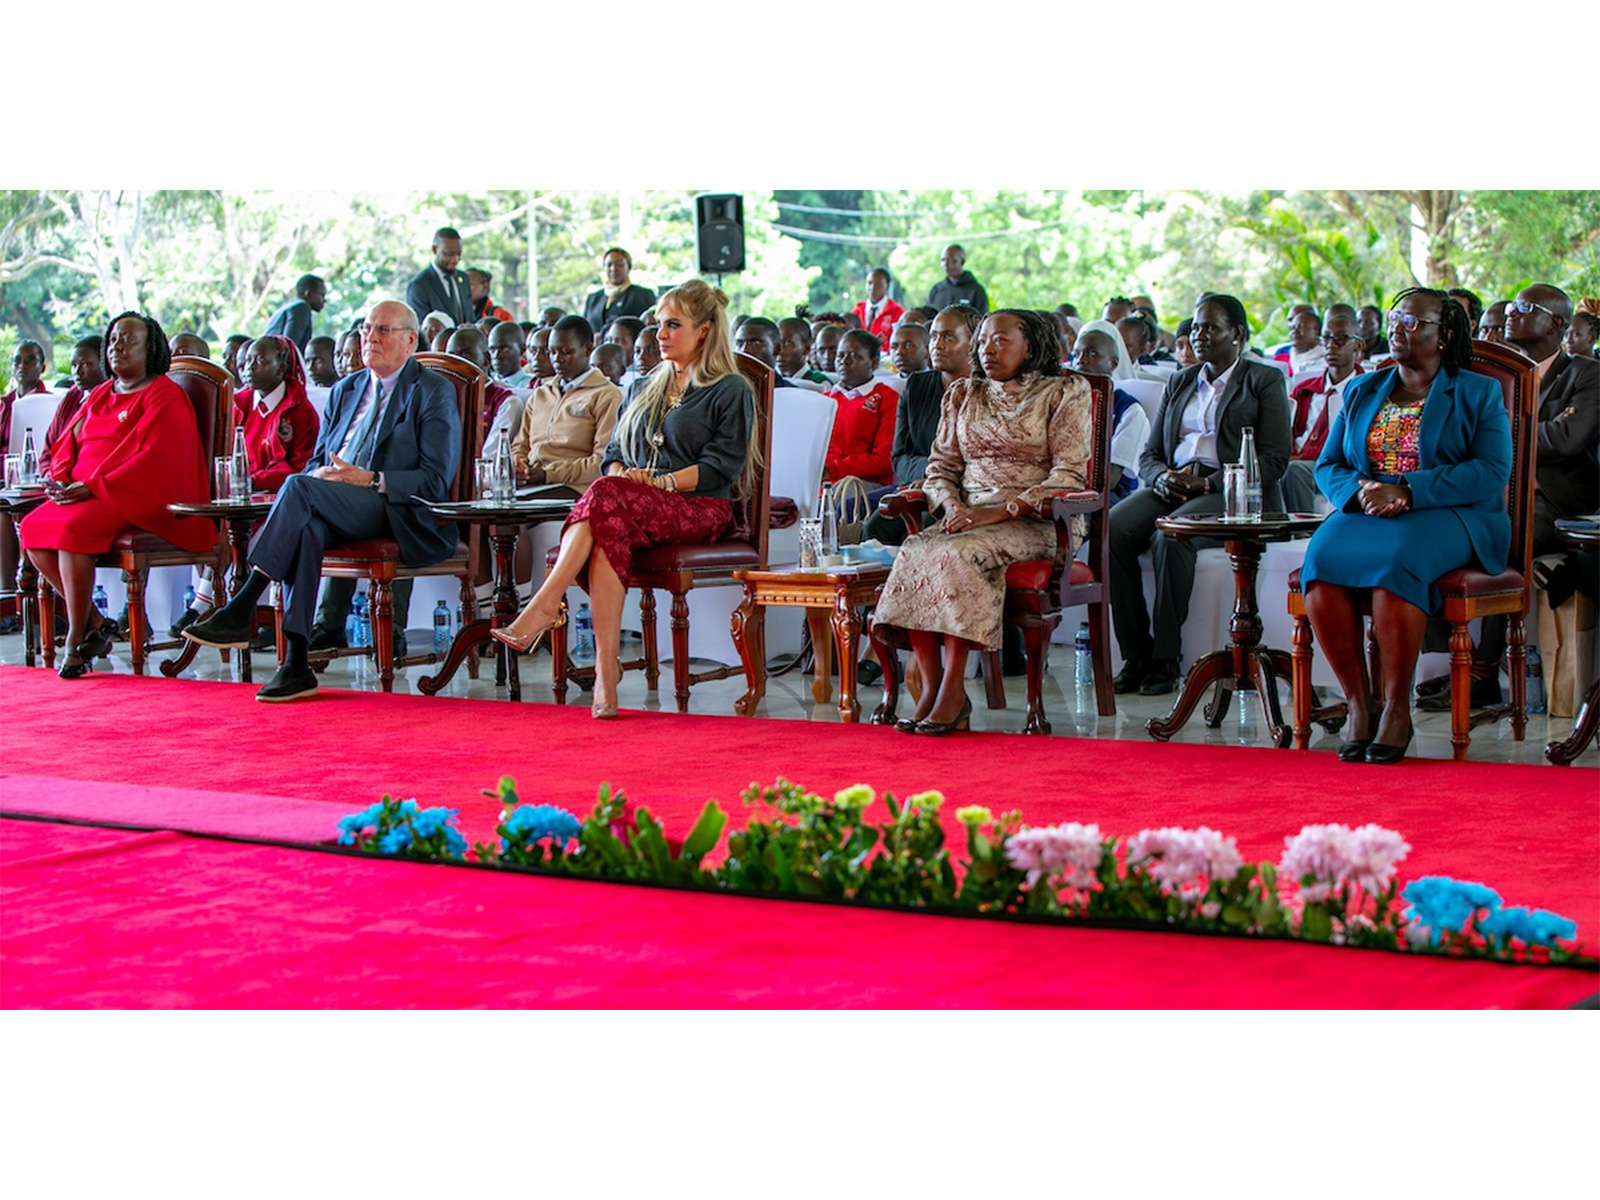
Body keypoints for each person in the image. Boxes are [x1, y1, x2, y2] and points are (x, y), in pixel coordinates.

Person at [492, 279, 757, 720]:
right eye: (658, 325)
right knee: (607, 523)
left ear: (705, 330)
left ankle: (544, 604)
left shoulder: (731, 388)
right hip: (632, 503)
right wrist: (627, 479)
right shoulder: (642, 387)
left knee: (606, 504)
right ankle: (604, 673)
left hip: (699, 507)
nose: (660, 335)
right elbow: (611, 458)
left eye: (673, 325)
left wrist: (660, 484)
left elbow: (721, 467)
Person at [184, 300, 462, 703]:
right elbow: (317, 459)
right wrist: (324, 477)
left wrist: (366, 479)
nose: (371, 338)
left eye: (383, 331)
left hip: (394, 509)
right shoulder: (346, 389)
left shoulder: (431, 391)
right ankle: (296, 662)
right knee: (308, 525)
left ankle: (243, 603)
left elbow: (435, 479)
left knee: (297, 488)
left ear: (410, 340)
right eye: (367, 329)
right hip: (332, 499)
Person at [1300, 288, 1510, 763]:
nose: (1398, 328)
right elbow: (1328, 464)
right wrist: (1360, 492)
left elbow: (1491, 471)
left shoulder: (1478, 391)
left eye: (1413, 323)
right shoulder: (1361, 388)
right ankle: (1360, 704)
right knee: (1321, 561)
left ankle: (1397, 708)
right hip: (1367, 508)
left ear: (1445, 335)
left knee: (1397, 563)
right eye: (1395, 318)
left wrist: (1408, 489)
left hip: (1451, 513)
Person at [872, 310, 1091, 734]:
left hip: (1038, 521)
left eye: (1001, 341)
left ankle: (954, 691)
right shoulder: (963, 394)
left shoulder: (1064, 391)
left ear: (1032, 346)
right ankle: (932, 690)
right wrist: (951, 506)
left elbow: (1069, 476)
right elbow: (940, 468)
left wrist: (1002, 510)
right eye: (984, 342)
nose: (987, 350)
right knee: (917, 548)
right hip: (967, 517)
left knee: (956, 553)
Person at [1108, 294, 1291, 695]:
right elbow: (1151, 454)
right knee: (1112, 531)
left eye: (1211, 328)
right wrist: (1160, 479)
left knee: (1171, 535)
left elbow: (1276, 461)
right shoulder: (1181, 380)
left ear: (1238, 335)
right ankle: (1136, 655)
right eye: (1195, 327)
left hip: (1235, 491)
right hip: (1174, 483)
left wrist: (1208, 483)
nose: (1198, 335)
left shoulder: (1264, 380)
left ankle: (1165, 659)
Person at [20, 312, 213, 679]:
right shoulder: (100, 394)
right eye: (112, 341)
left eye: (128, 340)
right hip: (84, 493)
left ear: (151, 348)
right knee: (32, 527)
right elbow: (67, 445)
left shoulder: (164, 395)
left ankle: (77, 636)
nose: (117, 347)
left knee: (72, 529)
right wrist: (60, 479)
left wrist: (92, 486)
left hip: (134, 495)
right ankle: (95, 621)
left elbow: (156, 459)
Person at [173, 335, 322, 635]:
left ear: (282, 366)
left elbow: (301, 467)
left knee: (235, 530)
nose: (248, 369)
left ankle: (203, 608)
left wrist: (255, 480)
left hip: (277, 499)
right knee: (209, 523)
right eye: (244, 363)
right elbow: (221, 452)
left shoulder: (300, 411)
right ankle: (220, 607)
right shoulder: (236, 405)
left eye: (259, 360)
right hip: (236, 494)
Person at [863, 305, 983, 547]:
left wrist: (942, 479)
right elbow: (899, 455)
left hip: (970, 493)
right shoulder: (917, 386)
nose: (937, 345)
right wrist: (930, 474)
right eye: (934, 337)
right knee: (877, 525)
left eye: (949, 337)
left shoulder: (989, 389)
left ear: (974, 343)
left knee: (927, 527)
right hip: (920, 484)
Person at [510, 315, 622, 487]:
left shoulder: (607, 395)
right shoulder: (540, 394)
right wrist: (520, 466)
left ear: (588, 349)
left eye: (566, 352)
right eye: (552, 352)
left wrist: (548, 474)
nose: (557, 359)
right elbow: (519, 446)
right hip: (533, 483)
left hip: (575, 488)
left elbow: (602, 462)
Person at [1280, 310, 1367, 512]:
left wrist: (1299, 458)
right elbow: (1289, 431)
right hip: (1298, 458)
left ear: (1358, 345)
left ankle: (1302, 534)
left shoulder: (1367, 390)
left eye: (1341, 339)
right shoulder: (1306, 389)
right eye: (1327, 338)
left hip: (1336, 465)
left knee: (1295, 471)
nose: (1331, 345)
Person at [1068, 322, 1151, 501]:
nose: (1081, 360)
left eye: (1092, 354)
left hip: (1107, 496)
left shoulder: (1129, 410)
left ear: (1113, 363)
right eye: (1076, 354)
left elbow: (1110, 479)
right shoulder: (1065, 400)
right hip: (1064, 487)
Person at [824, 330, 900, 485]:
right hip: (820, 479)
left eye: (854, 356)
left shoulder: (887, 399)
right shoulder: (824, 398)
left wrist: (831, 470)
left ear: (873, 363)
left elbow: (884, 460)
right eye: (840, 355)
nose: (844, 361)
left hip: (862, 483)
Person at [406, 227, 473, 327]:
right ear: (434, 249)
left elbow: (470, 318)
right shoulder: (419, 285)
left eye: (459, 254)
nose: (455, 259)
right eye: (449, 254)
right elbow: (421, 329)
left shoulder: (463, 279)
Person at [582, 247, 656, 334]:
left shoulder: (643, 295)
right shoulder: (593, 299)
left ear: (628, 267)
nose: (613, 268)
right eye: (609, 265)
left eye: (619, 264)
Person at [1, 339, 51, 458]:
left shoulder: (51, 405)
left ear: (42, 368)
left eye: (30, 361)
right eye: (17, 361)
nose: (22, 366)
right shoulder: (5, 404)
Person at [263, 274, 326, 353]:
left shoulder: (289, 306)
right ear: (308, 294)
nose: (324, 300)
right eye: (322, 295)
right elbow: (289, 346)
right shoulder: (301, 307)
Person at [732, 317, 794, 388]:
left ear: (777, 349)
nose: (744, 350)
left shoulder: (791, 393)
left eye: (756, 343)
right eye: (739, 343)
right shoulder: (726, 389)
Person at [853, 268, 905, 351]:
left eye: (878, 284)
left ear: (887, 285)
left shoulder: (898, 313)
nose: (873, 288)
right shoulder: (856, 312)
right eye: (869, 283)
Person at [926, 244, 989, 312]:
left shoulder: (976, 291)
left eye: (952, 260)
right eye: (943, 260)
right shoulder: (937, 290)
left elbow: (982, 318)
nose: (946, 264)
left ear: (962, 261)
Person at [777, 316, 829, 390]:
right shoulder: (771, 380)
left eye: (788, 344)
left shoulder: (819, 383)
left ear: (806, 348)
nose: (779, 351)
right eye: (777, 344)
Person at [488, 320, 532, 386]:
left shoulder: (532, 385)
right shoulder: (486, 385)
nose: (496, 355)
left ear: (522, 349)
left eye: (505, 349)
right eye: (492, 349)